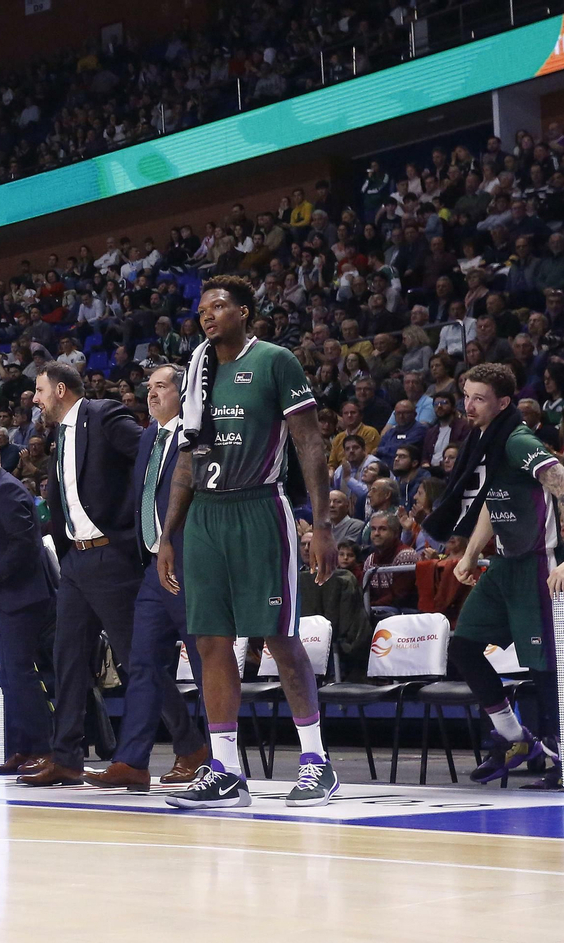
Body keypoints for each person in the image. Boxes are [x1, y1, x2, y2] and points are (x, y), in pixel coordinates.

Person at [159, 275, 340, 810]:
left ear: (244, 311)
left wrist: (323, 524)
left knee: (280, 637)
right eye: (202, 308)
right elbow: (188, 458)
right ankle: (226, 770)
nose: (207, 315)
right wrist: (169, 533)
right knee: (211, 643)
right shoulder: (196, 370)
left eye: (218, 306)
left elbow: (309, 442)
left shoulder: (275, 361)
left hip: (260, 508)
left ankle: (316, 762)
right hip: (205, 519)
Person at [427, 363, 564, 790]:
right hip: (502, 565)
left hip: (536, 565)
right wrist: (471, 554)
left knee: (544, 669)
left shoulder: (517, 440)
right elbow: (491, 502)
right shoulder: (485, 438)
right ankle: (517, 739)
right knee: (463, 648)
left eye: (479, 398)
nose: (469, 405)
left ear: (502, 403)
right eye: (466, 396)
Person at [21, 361, 149, 788]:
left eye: (39, 391)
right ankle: (67, 758)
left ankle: (189, 748)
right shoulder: (61, 436)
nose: (35, 400)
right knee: (68, 659)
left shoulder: (103, 415)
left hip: (110, 555)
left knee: (135, 659)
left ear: (59, 390)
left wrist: (132, 529)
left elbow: (148, 460)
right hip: (75, 560)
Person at [85, 365, 210, 791]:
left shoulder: (197, 434)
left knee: (204, 660)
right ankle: (132, 762)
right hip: (153, 569)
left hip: (192, 566)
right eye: (149, 388)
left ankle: (216, 759)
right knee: (142, 664)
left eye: (161, 387)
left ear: (183, 392)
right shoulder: (148, 440)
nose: (151, 395)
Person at [0, 433, 56, 776]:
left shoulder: (8, 489)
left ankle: (45, 750)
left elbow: (25, 545)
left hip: (24, 599)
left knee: (21, 675)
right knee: (8, 677)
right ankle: (23, 748)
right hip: (9, 598)